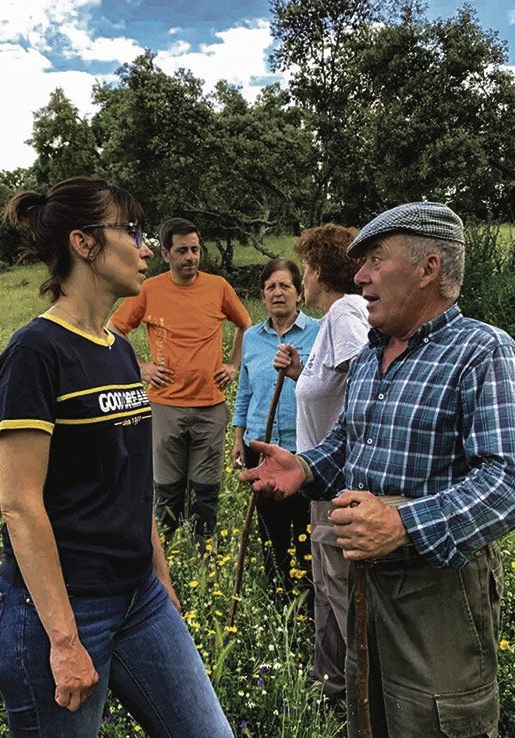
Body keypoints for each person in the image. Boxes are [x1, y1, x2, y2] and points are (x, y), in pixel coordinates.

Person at [240, 202, 515, 738]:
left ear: (428, 268)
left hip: (437, 593)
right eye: (360, 264)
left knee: (437, 724)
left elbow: (513, 482)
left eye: (375, 260)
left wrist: (401, 524)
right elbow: (348, 447)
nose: (359, 276)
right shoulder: (371, 354)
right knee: (369, 716)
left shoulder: (483, 352)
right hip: (364, 583)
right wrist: (305, 469)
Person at [0, 177, 233, 737]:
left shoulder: (118, 348)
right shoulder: (35, 352)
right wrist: (65, 640)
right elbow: (20, 505)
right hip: (62, 613)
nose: (146, 249)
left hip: (138, 596)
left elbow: (130, 481)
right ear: (85, 243)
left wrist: (160, 579)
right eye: (132, 231)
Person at [271, 224, 370, 704]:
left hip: (337, 484)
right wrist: (298, 372)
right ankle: (332, 696)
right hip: (321, 486)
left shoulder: (346, 311)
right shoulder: (336, 319)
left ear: (318, 271)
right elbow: (334, 386)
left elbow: (368, 376)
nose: (302, 279)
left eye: (305, 269)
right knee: (328, 596)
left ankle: (368, 701)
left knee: (342, 598)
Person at [108, 217, 251, 544]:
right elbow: (115, 329)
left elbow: (246, 325)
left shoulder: (218, 287)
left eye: (195, 249)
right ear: (165, 254)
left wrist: (233, 364)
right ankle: (168, 553)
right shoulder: (149, 289)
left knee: (206, 489)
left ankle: (204, 551)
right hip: (164, 406)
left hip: (210, 405)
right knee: (167, 488)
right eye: (183, 250)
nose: (191, 257)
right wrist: (141, 367)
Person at [230, 258, 319, 600]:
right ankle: (278, 595)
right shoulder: (252, 337)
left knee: (306, 525)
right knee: (271, 527)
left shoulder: (319, 331)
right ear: (262, 296)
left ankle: (310, 598)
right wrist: (239, 437)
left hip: (304, 447)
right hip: (262, 445)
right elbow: (245, 391)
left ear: (299, 293)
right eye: (270, 287)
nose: (277, 293)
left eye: (285, 286)